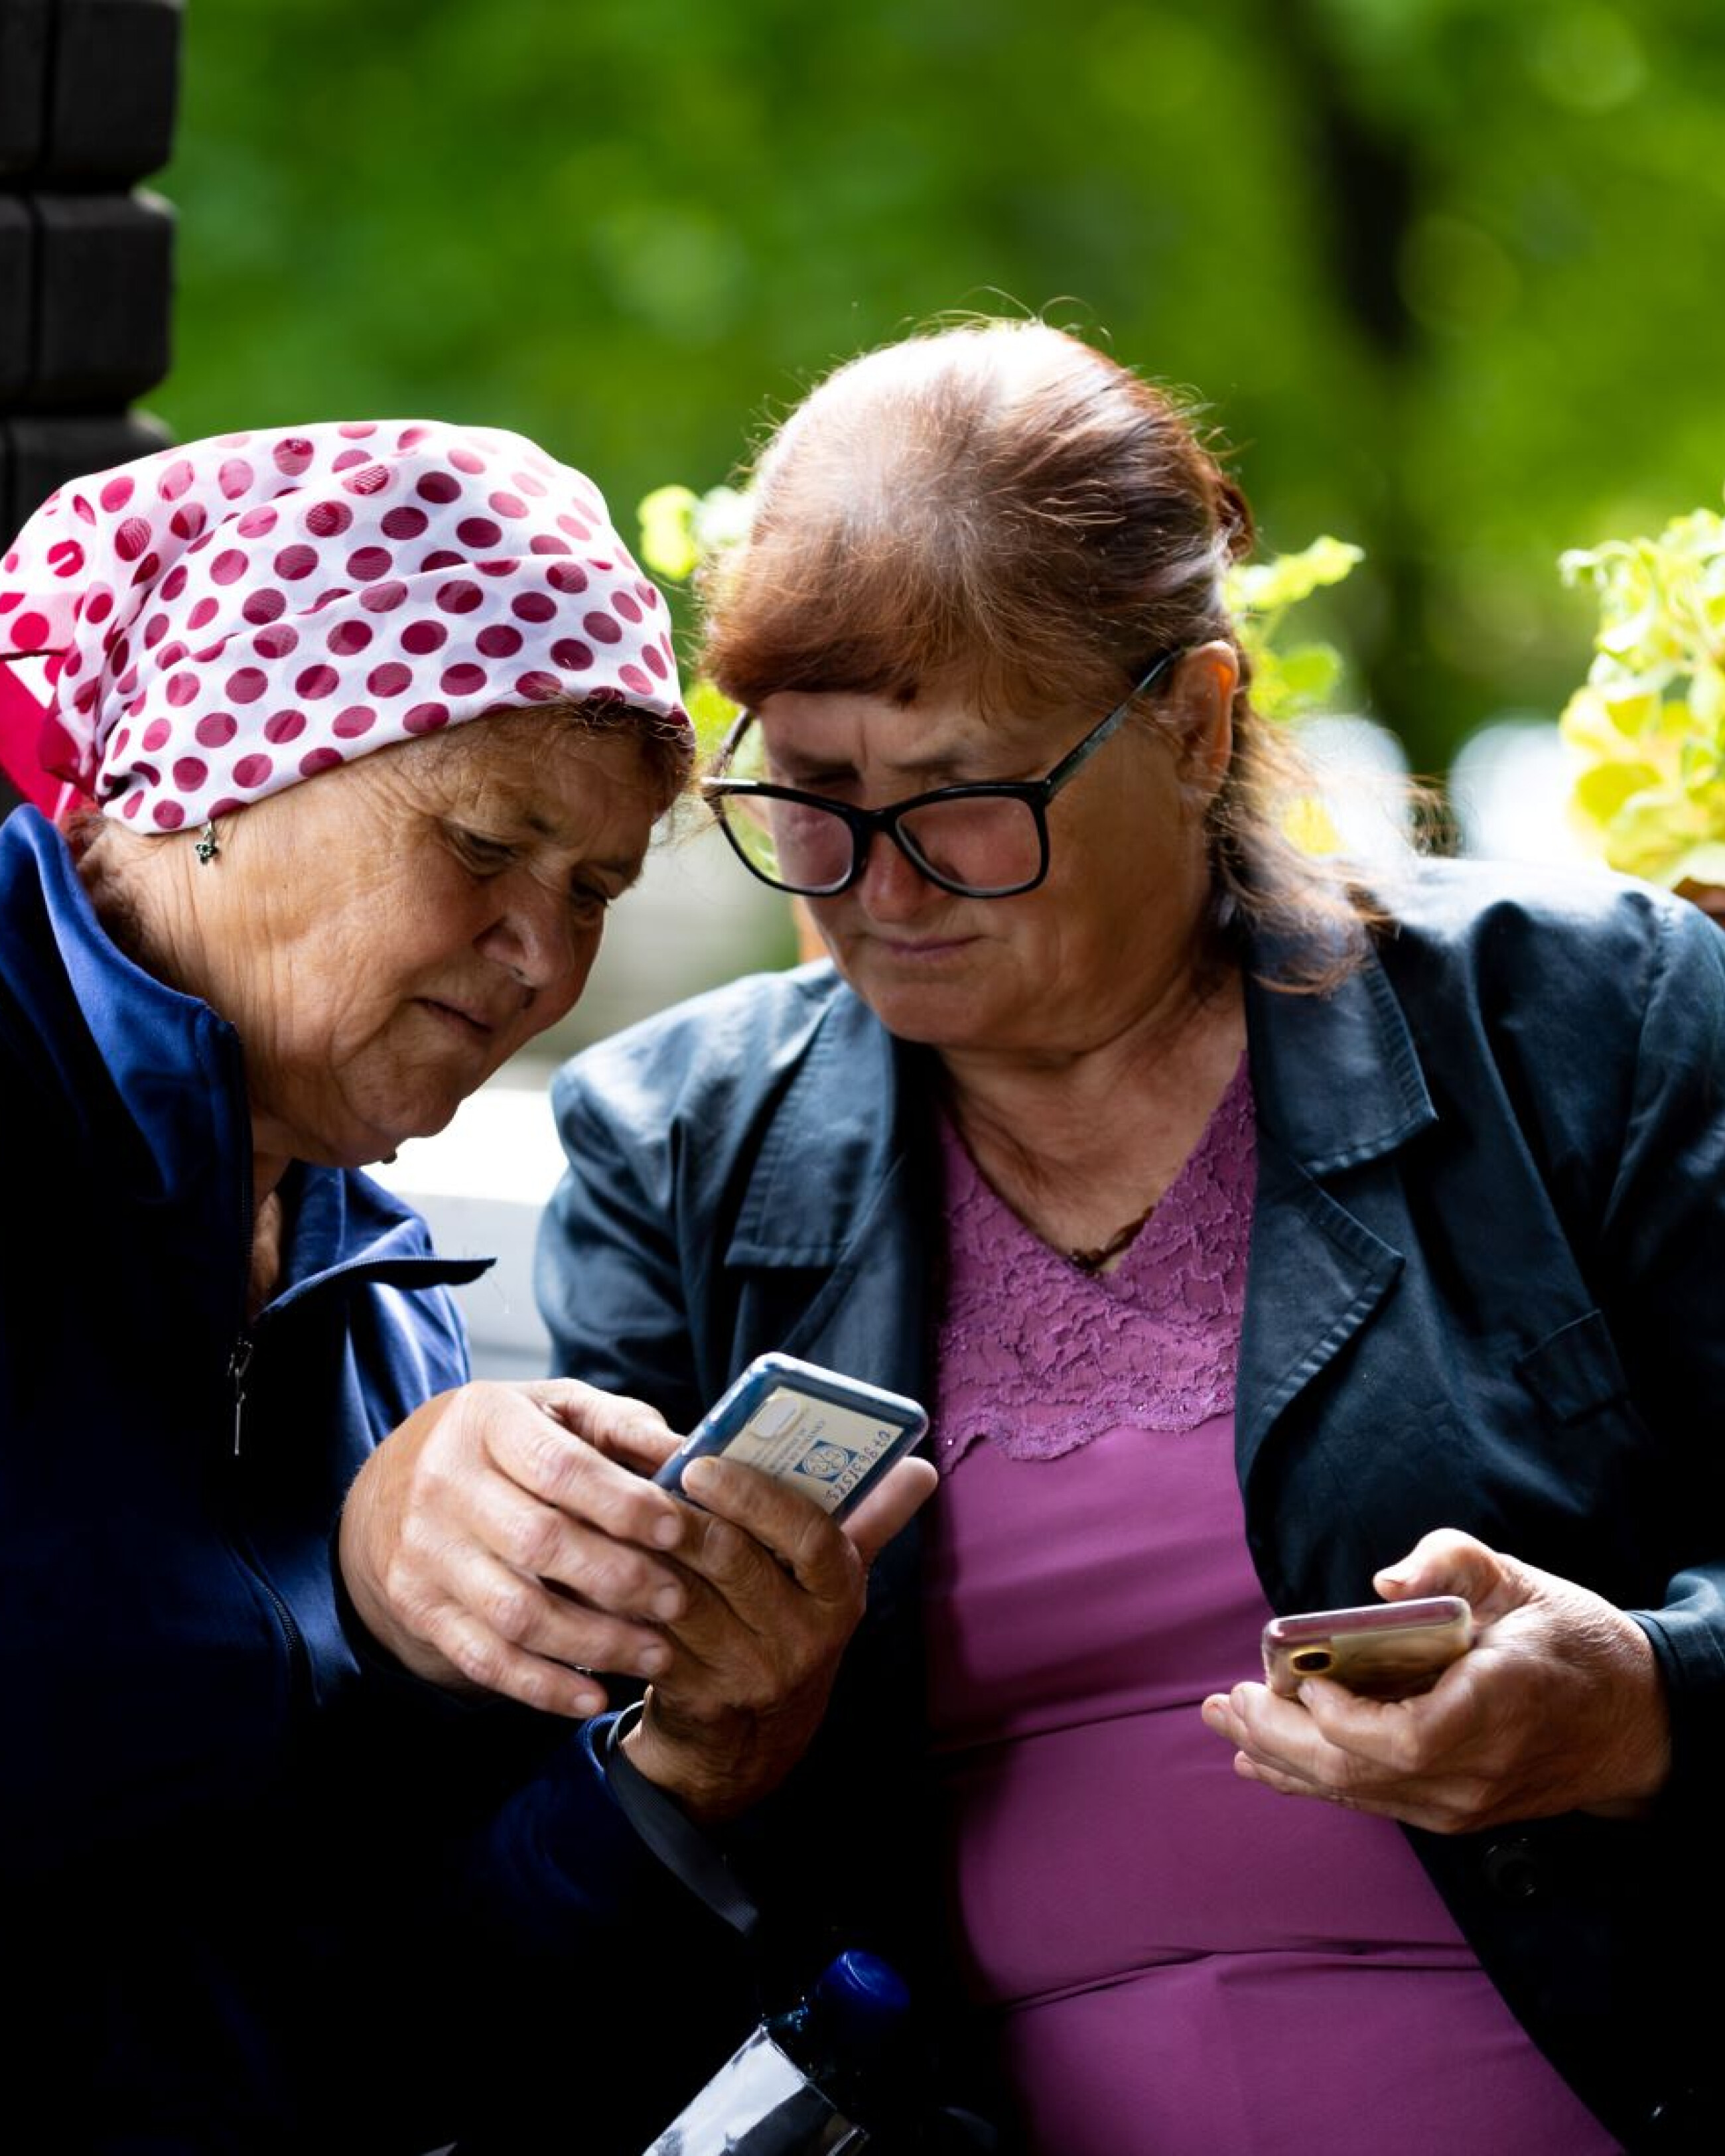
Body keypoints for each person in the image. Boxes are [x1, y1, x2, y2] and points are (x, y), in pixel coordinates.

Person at [527, 322, 1725, 2154]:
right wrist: (688, 1723)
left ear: (1194, 718)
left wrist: (1645, 1704)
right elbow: (585, 1849)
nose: (881, 888)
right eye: (816, 803)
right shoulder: (680, 1151)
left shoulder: (1598, 1025)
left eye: (959, 802)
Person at [0, 419, 933, 2153]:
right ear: (225, 768)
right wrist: (353, 1584)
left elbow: (405, 2018)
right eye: (490, 844)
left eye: (594, 887)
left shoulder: (374, 1294)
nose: (545, 958)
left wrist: (679, 1774)